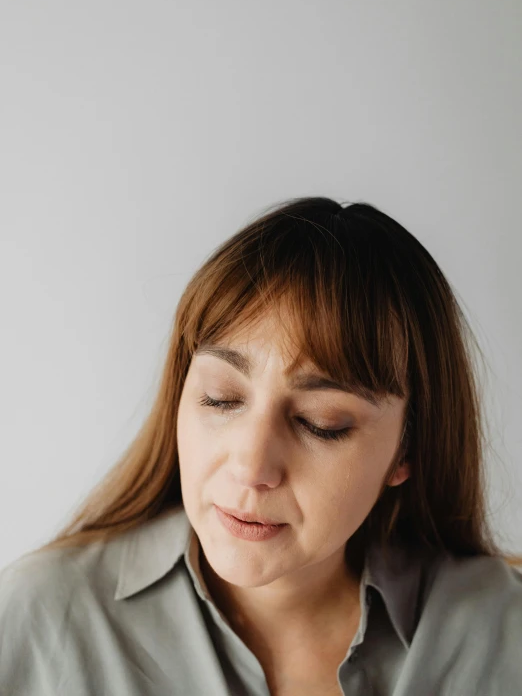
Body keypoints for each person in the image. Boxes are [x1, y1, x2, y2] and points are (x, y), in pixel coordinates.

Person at [1, 196, 521, 696]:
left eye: (321, 424)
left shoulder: (500, 632)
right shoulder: (40, 619)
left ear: (407, 450)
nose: (251, 467)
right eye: (221, 398)